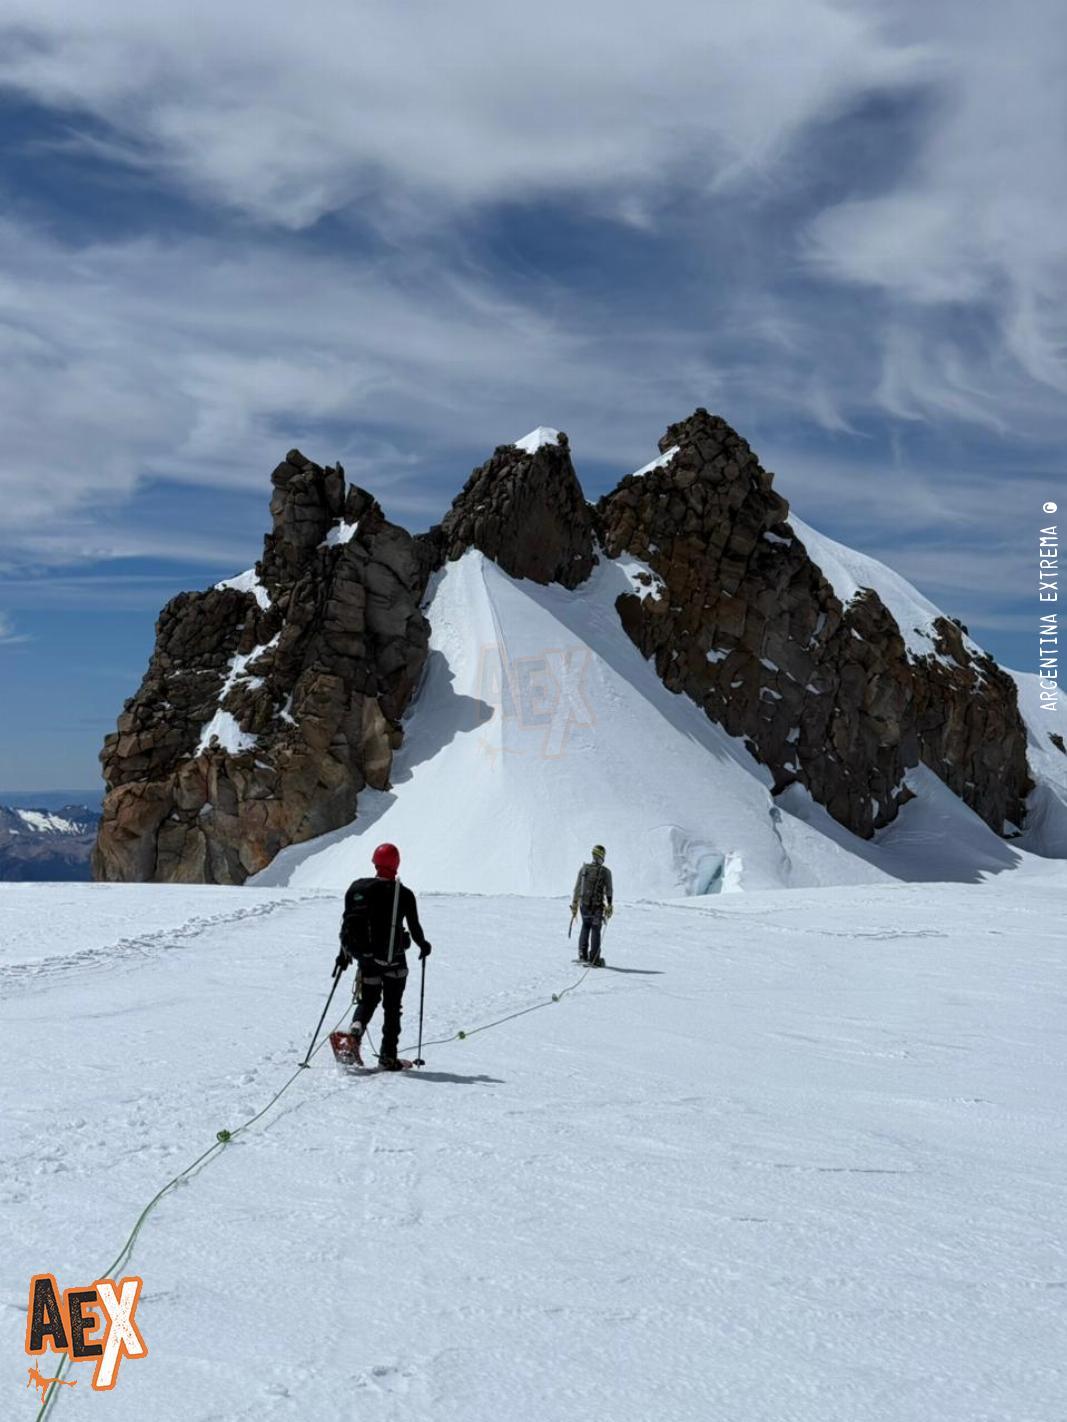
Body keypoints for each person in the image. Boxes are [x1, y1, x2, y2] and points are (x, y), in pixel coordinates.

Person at [334, 842, 431, 1069]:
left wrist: (344, 955)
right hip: (395, 960)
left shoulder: (360, 889)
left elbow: (349, 924)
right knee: (392, 1007)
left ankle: (354, 1032)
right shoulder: (404, 894)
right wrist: (423, 945)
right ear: (396, 864)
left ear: (375, 863)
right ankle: (388, 1057)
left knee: (368, 1000)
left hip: (367, 959)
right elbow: (414, 927)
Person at [570, 844, 613, 966]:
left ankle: (582, 955)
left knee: (585, 926)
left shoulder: (583, 870)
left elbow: (577, 889)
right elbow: (609, 890)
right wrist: (609, 905)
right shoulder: (606, 872)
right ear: (602, 856)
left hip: (584, 905)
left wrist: (574, 905)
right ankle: (594, 958)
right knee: (595, 930)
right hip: (597, 906)